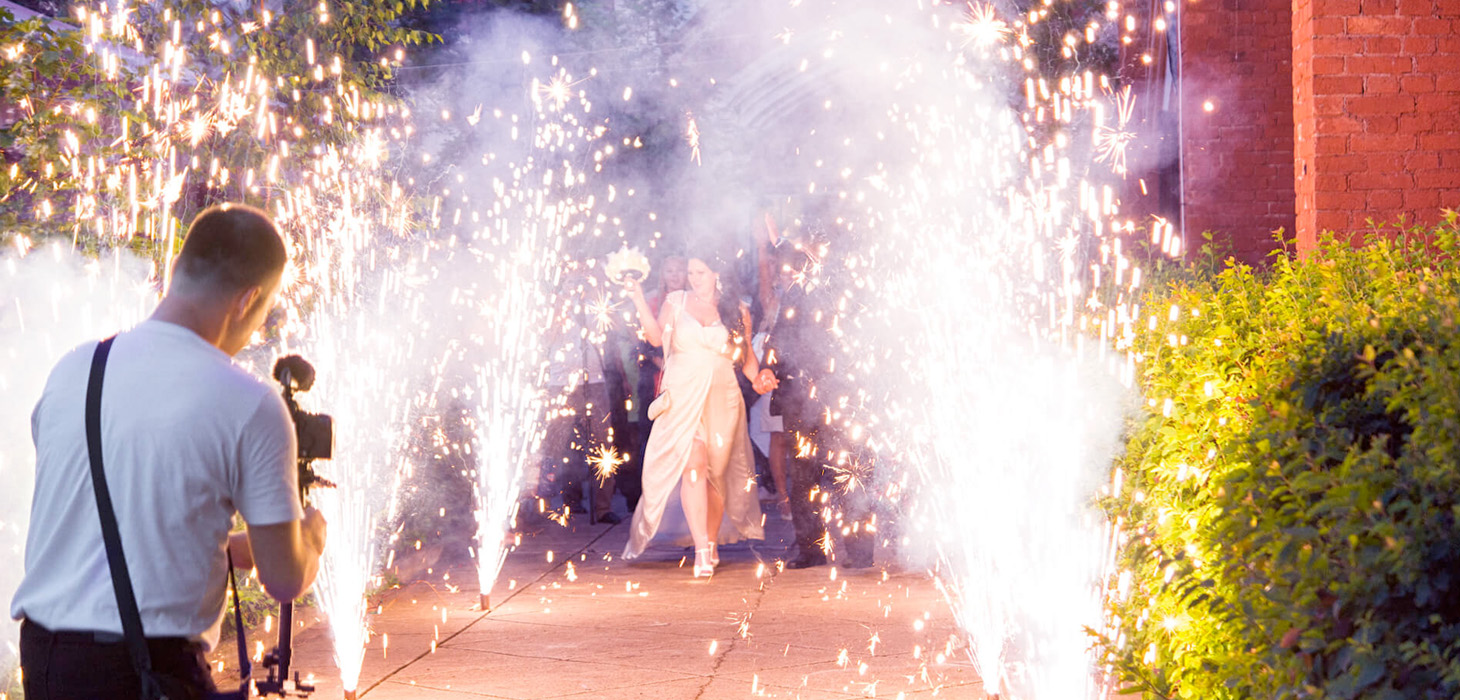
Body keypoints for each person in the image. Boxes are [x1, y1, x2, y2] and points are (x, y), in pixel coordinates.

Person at [11, 203, 329, 699]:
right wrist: (309, 539)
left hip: (49, 665)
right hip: (146, 671)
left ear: (176, 270)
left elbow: (109, 510)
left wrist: (228, 547)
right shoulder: (249, 403)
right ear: (248, 300)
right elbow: (285, 580)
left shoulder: (75, 369)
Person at [620, 251, 776, 577]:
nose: (693, 278)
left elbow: (746, 358)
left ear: (716, 272)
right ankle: (702, 550)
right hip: (683, 393)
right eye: (691, 271)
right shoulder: (676, 302)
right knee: (694, 464)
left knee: (715, 476)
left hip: (722, 397)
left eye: (700, 272)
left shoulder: (737, 309)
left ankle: (711, 541)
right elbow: (653, 336)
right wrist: (637, 298)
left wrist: (759, 379)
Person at [762, 234, 875, 570]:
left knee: (847, 472)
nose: (795, 269)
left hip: (840, 398)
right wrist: (769, 368)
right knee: (802, 477)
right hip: (799, 401)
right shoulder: (795, 295)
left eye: (805, 258)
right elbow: (779, 340)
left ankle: (859, 551)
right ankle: (810, 550)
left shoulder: (843, 288)